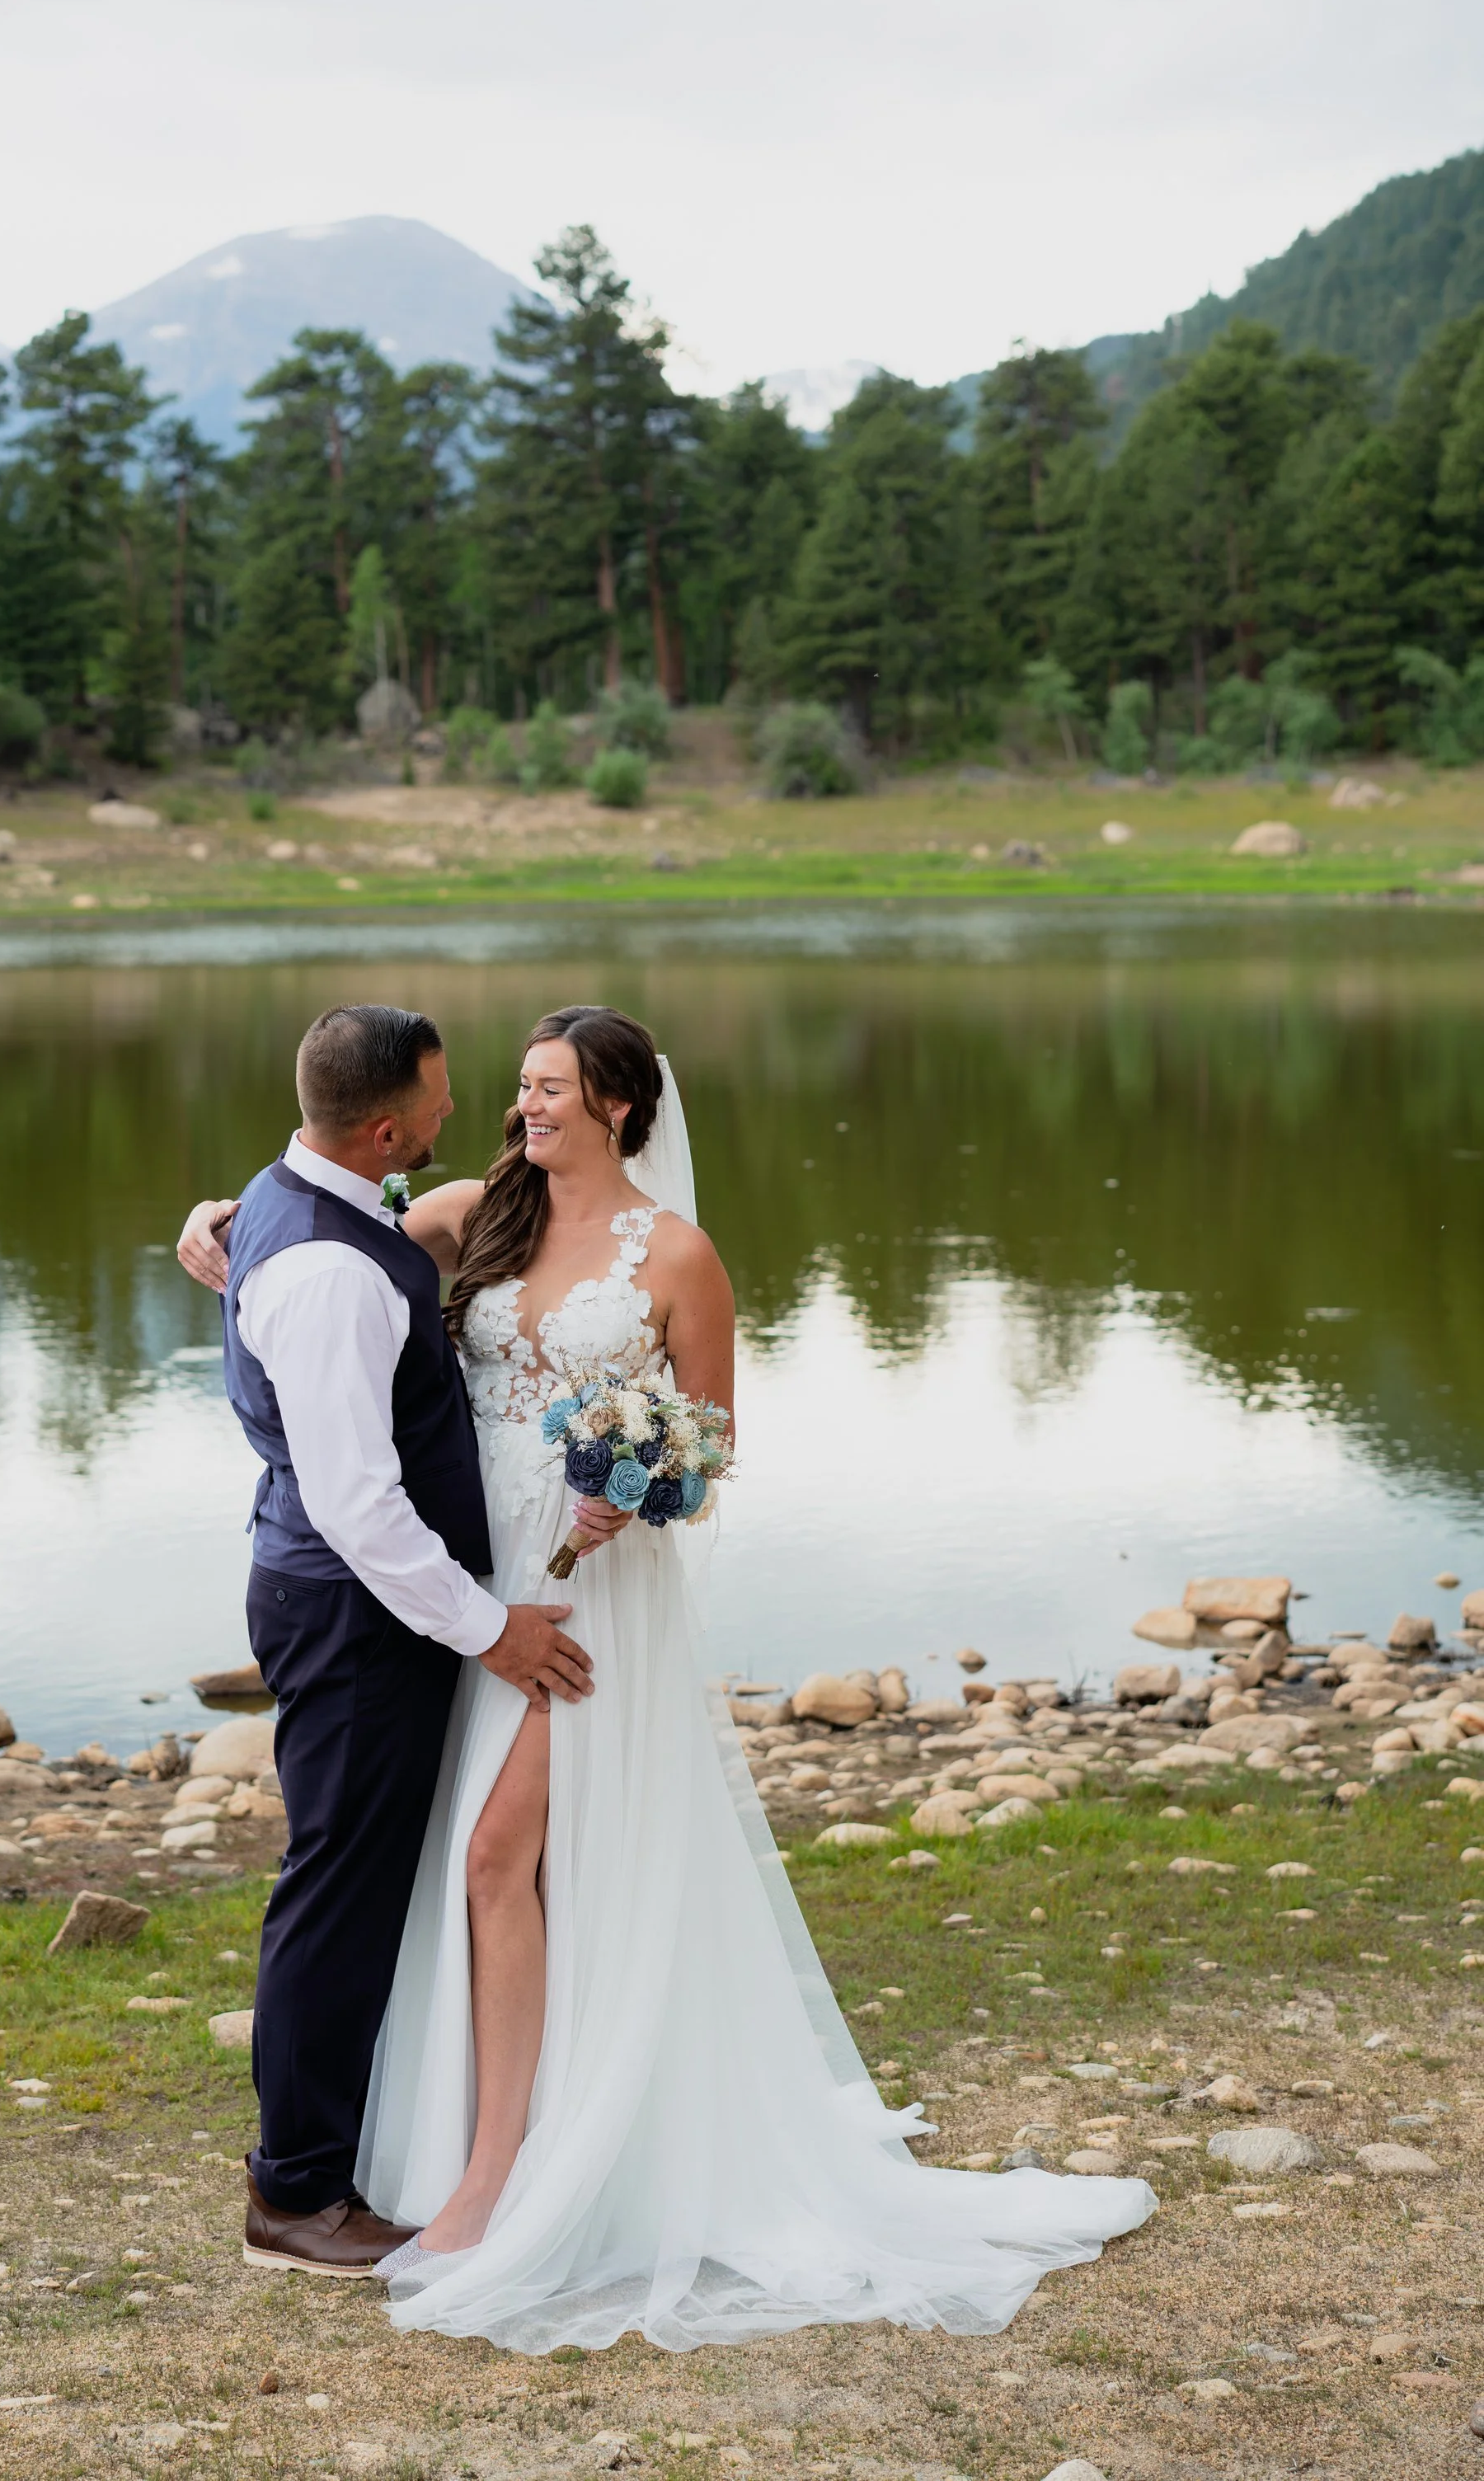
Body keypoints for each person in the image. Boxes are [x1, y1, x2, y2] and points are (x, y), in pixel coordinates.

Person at [180, 1003, 1155, 2349]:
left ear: (622, 1106)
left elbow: (709, 1456)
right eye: (522, 1086)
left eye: (551, 1089)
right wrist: (216, 1225)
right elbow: (322, 1240)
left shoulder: (680, 1256)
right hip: (473, 1595)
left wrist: (632, 1489)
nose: (524, 1107)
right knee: (489, 1865)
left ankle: (494, 2178)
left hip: (584, 1593)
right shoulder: (476, 1210)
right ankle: (496, 2135)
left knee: (495, 1857)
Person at [204, 1001, 602, 2279]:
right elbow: (360, 1507)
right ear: (382, 1129)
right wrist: (492, 1632)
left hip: (343, 1599)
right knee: (337, 1892)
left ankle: (340, 2152)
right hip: (356, 1611)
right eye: (436, 1096)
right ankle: (296, 2194)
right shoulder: (330, 1273)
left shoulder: (298, 1197)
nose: (457, 1110)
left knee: (357, 1878)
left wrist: (211, 1225)